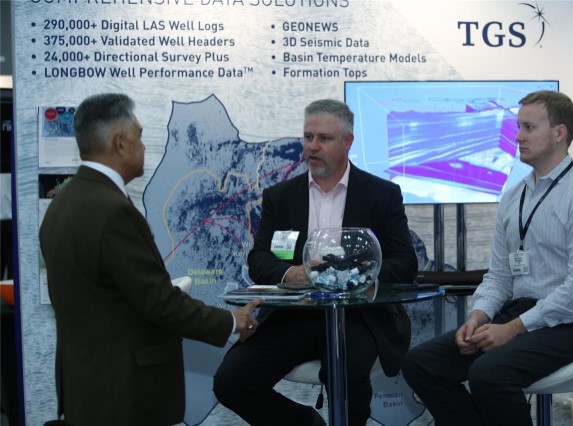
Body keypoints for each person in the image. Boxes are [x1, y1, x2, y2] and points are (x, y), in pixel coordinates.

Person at [39, 93, 263, 426]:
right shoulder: (113, 211)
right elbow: (160, 303)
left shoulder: (63, 201)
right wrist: (232, 321)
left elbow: (108, 297)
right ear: (120, 144)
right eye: (139, 136)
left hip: (87, 387)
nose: (144, 146)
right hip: (122, 394)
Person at [401, 90, 573, 426]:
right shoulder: (514, 196)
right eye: (518, 127)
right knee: (420, 363)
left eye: (529, 127)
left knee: (489, 373)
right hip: (522, 313)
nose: (517, 137)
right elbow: (500, 275)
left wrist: (513, 329)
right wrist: (478, 316)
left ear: (559, 133)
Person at [213, 99, 418, 426]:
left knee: (348, 376)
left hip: (358, 317)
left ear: (348, 141)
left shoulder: (382, 194)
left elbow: (405, 262)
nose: (313, 146)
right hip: (294, 316)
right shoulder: (280, 196)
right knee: (231, 381)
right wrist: (289, 272)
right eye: (308, 137)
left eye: (324, 138)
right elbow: (259, 259)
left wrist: (359, 277)